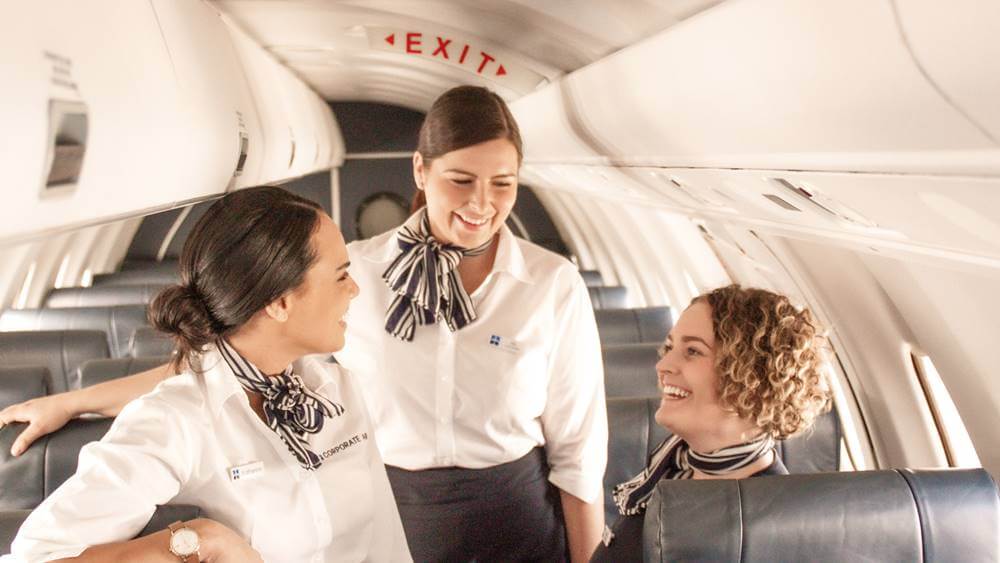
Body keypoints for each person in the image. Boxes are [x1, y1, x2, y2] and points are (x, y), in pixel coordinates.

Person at [1, 86, 608, 562]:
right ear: (421, 172)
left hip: (513, 509)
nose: (482, 203)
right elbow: (217, 370)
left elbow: (579, 450)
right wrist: (78, 401)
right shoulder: (354, 280)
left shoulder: (548, 286)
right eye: (461, 179)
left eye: (503, 184)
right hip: (403, 501)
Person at [4, 187, 411, 562]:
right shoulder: (178, 420)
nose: (354, 289)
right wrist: (194, 539)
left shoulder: (338, 391)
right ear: (279, 301)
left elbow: (386, 543)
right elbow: (39, 556)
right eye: (341, 275)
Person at [590, 284, 832, 562]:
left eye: (692, 351)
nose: (663, 364)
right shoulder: (673, 468)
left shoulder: (771, 525)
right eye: (669, 347)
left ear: (752, 378)